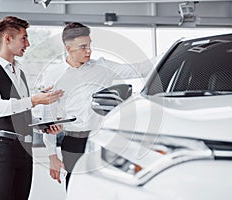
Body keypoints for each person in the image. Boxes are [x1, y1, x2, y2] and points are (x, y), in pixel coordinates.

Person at [42, 22, 152, 189]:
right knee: (75, 188)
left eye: (90, 45)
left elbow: (139, 69)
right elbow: (48, 117)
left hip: (101, 139)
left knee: (104, 188)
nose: (89, 50)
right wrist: (52, 155)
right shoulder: (53, 74)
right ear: (69, 48)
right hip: (73, 141)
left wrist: (172, 54)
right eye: (83, 46)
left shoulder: (103, 66)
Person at [0, 16, 64, 200]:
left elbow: (22, 111)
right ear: (8, 39)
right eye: (24, 38)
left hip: (25, 149)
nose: (28, 43)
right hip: (3, 148)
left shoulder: (20, 72)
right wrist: (34, 100)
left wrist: (44, 125)